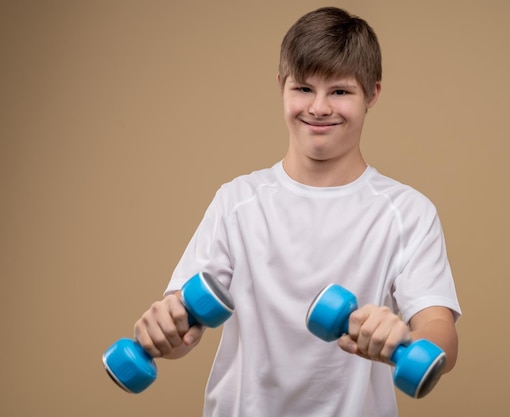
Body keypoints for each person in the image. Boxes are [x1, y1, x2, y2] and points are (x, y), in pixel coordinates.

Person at [133, 6, 461, 417]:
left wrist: (407, 341)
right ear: (281, 87)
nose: (319, 108)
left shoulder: (407, 212)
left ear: (372, 94)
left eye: (340, 91)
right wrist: (162, 328)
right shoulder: (238, 202)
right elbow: (185, 330)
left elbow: (441, 336)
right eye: (304, 89)